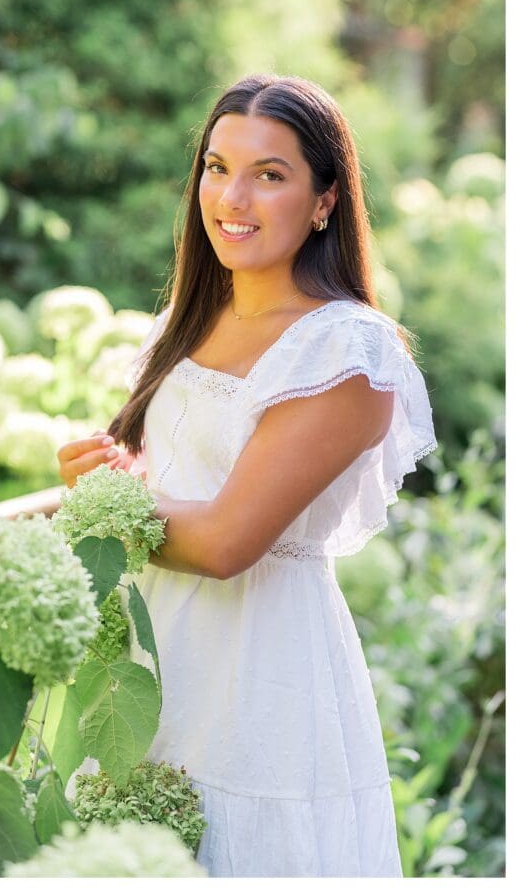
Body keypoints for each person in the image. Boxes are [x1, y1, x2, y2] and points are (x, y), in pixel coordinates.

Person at [57, 74, 436, 877]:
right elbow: (177, 483)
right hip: (147, 671)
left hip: (262, 683)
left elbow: (229, 538)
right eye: (218, 166)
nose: (234, 196)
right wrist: (106, 470)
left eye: (271, 175)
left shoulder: (346, 353)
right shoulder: (186, 322)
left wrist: (107, 499)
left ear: (326, 200)